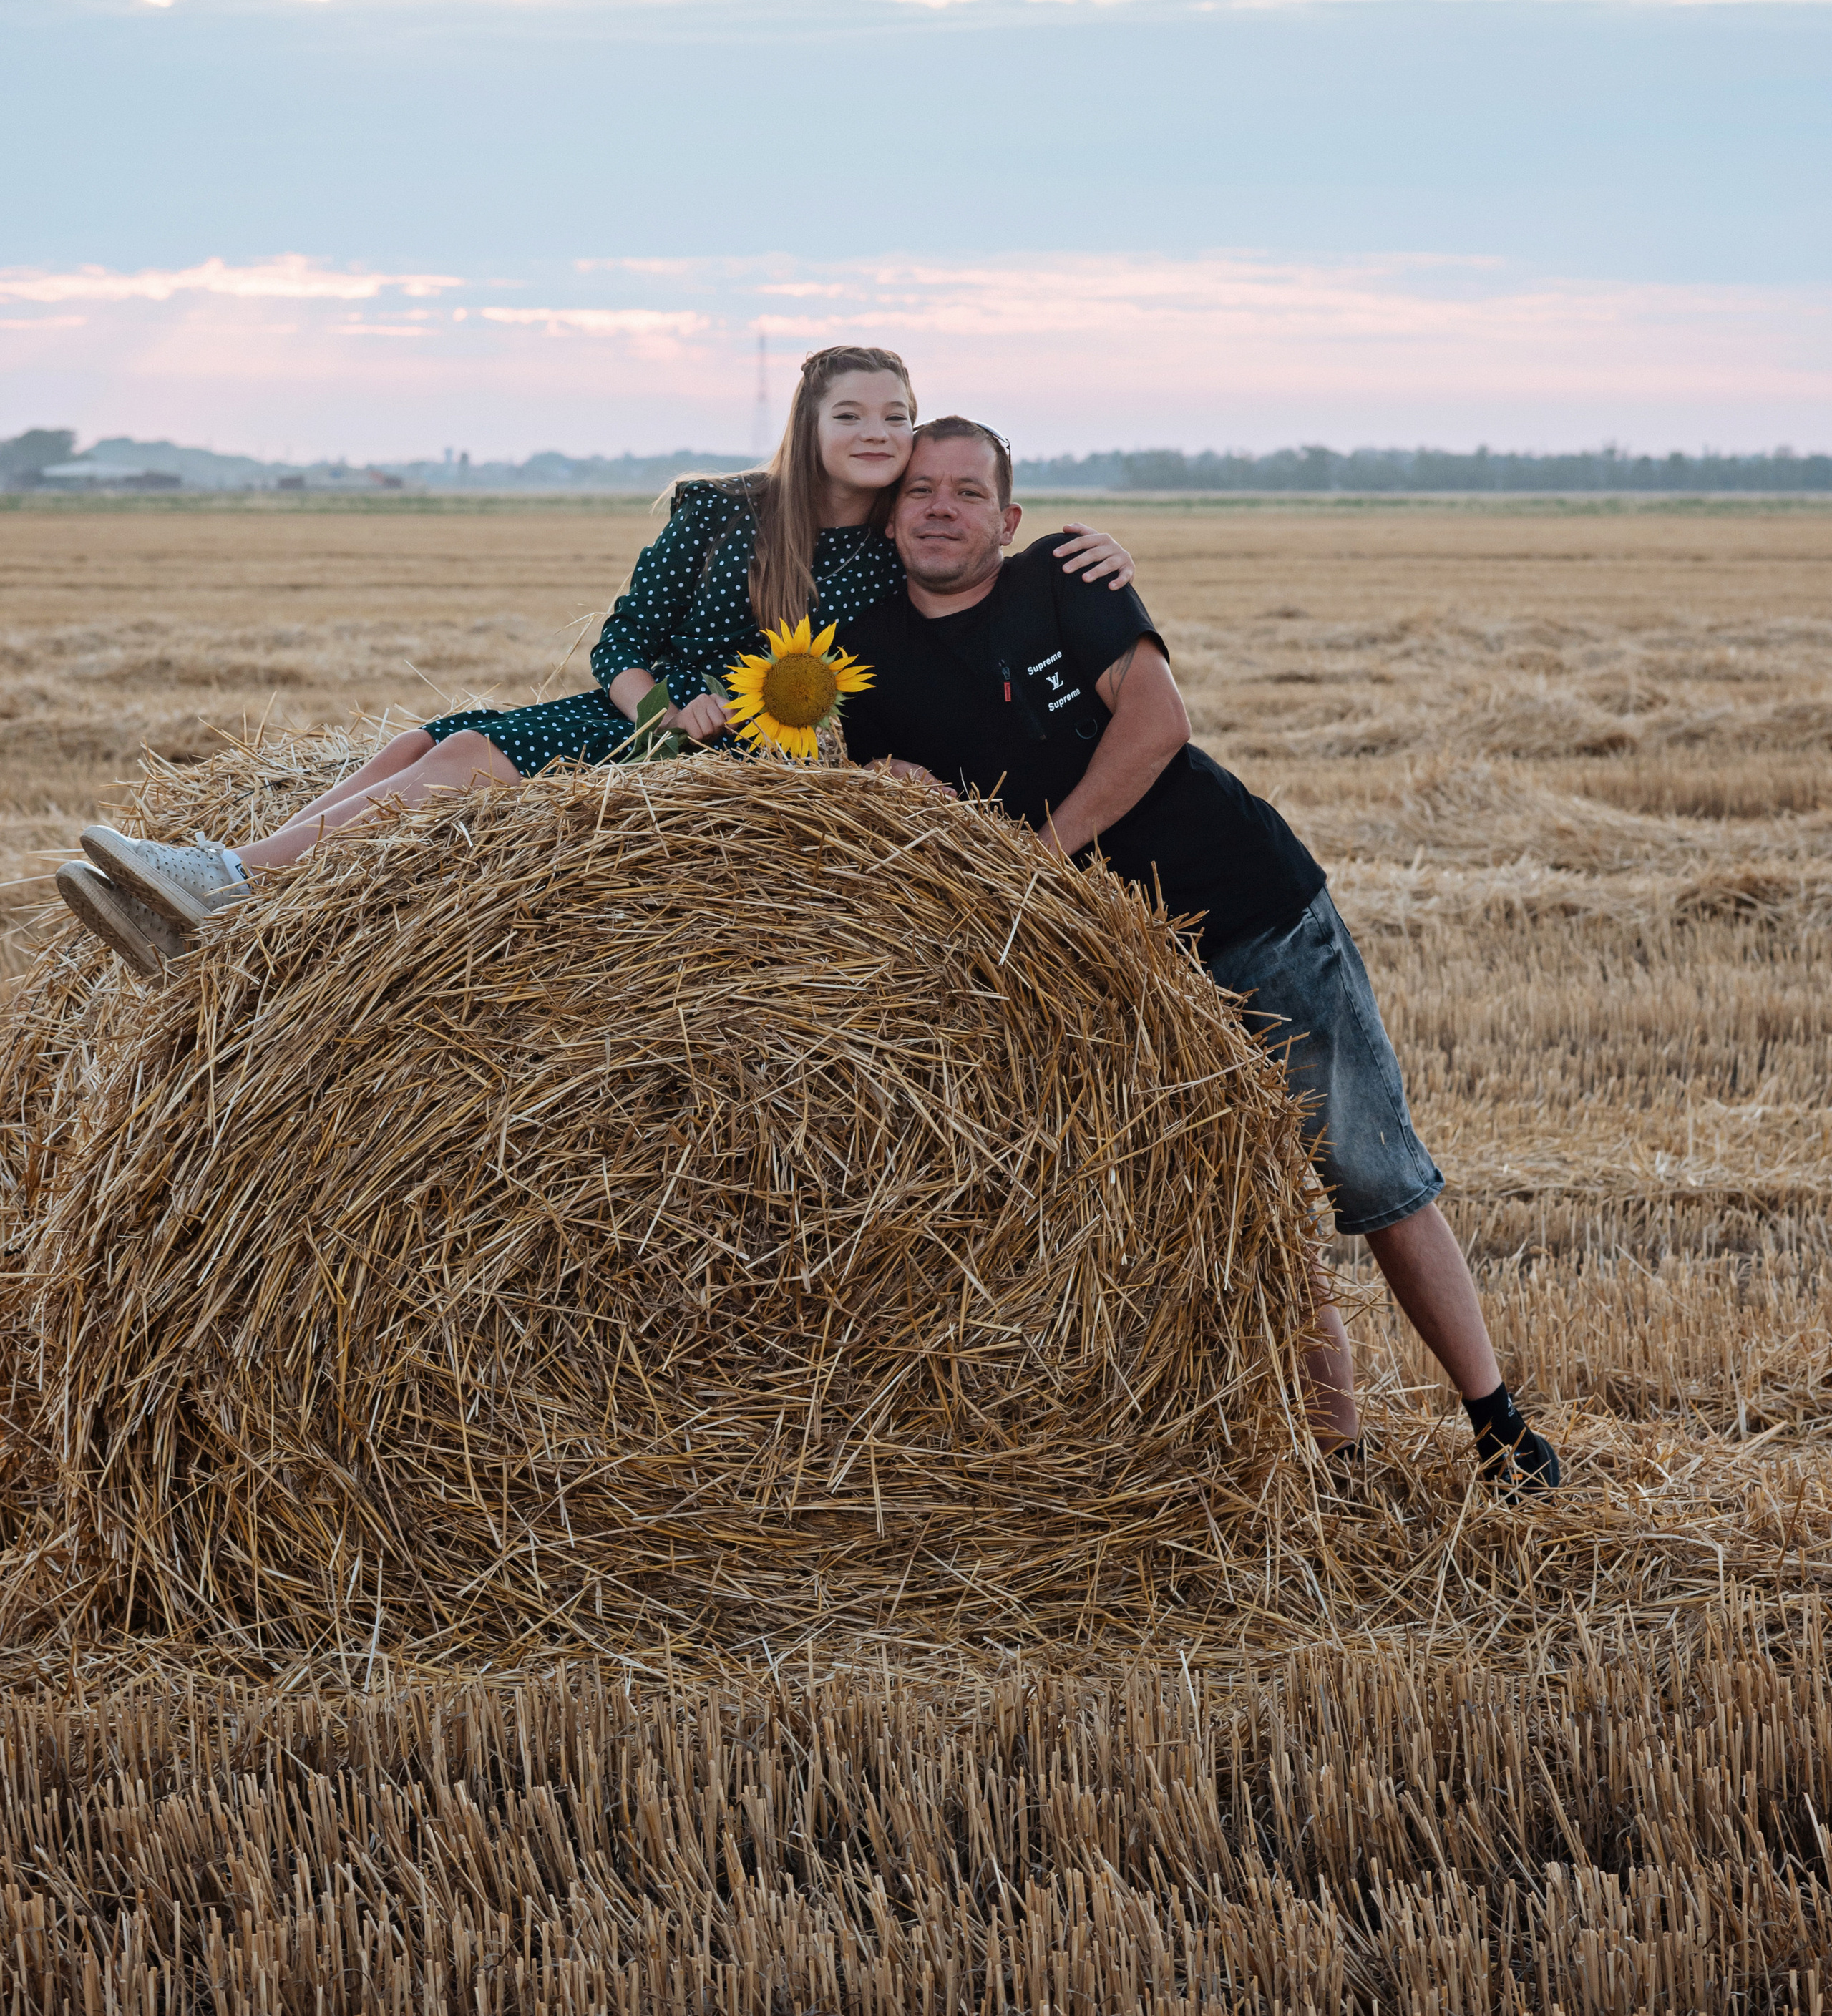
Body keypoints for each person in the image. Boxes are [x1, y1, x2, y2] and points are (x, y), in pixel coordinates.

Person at [839, 415, 1561, 1501]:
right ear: (893, 515)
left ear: (1009, 516)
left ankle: (1498, 1423)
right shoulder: (869, 655)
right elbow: (895, 798)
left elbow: (1157, 722)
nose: (941, 507)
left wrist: (1036, 860)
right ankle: (1337, 1459)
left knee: (1366, 1167)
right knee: (1251, 1198)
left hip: (1246, 909)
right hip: (1108, 968)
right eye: (921, 490)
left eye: (967, 491)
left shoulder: (1066, 580)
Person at [57, 349, 1138, 976]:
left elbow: (982, 561)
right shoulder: (716, 514)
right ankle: (242, 885)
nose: (880, 431)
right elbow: (620, 641)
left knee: (473, 754)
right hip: (652, 719)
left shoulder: (896, 544)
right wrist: (662, 703)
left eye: (896, 417)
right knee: (427, 740)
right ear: (805, 425)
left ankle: (237, 882)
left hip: (745, 770)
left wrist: (1095, 559)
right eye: (851, 412)